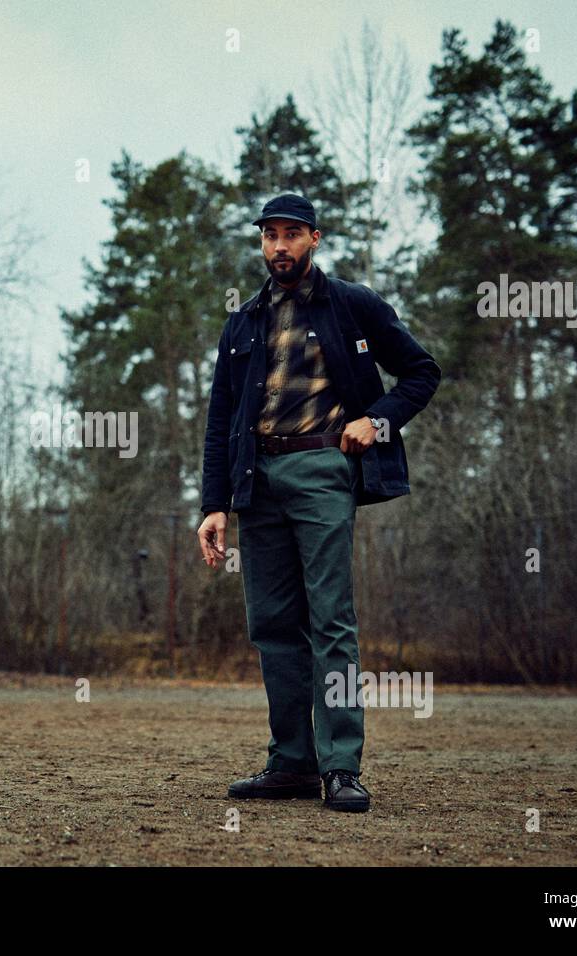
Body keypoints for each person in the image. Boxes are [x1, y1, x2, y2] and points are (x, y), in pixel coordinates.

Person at [197, 193, 441, 812]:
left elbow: (421, 373)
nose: (279, 246)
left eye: (291, 235)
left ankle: (340, 767)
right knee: (273, 624)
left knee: (330, 619)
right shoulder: (244, 319)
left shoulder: (352, 304)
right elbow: (220, 415)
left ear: (315, 239)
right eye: (269, 236)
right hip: (258, 476)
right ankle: (292, 764)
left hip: (323, 467)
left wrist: (377, 422)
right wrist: (215, 502)